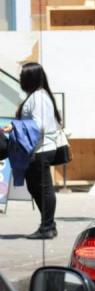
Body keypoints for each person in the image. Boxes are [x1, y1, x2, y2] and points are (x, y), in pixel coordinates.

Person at [2, 63, 62, 239]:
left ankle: (48, 227)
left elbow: (39, 125)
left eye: (22, 76)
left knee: (43, 189)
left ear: (31, 78)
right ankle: (48, 224)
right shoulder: (35, 96)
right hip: (36, 149)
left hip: (41, 149)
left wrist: (14, 126)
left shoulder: (39, 98)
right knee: (36, 187)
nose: (20, 79)